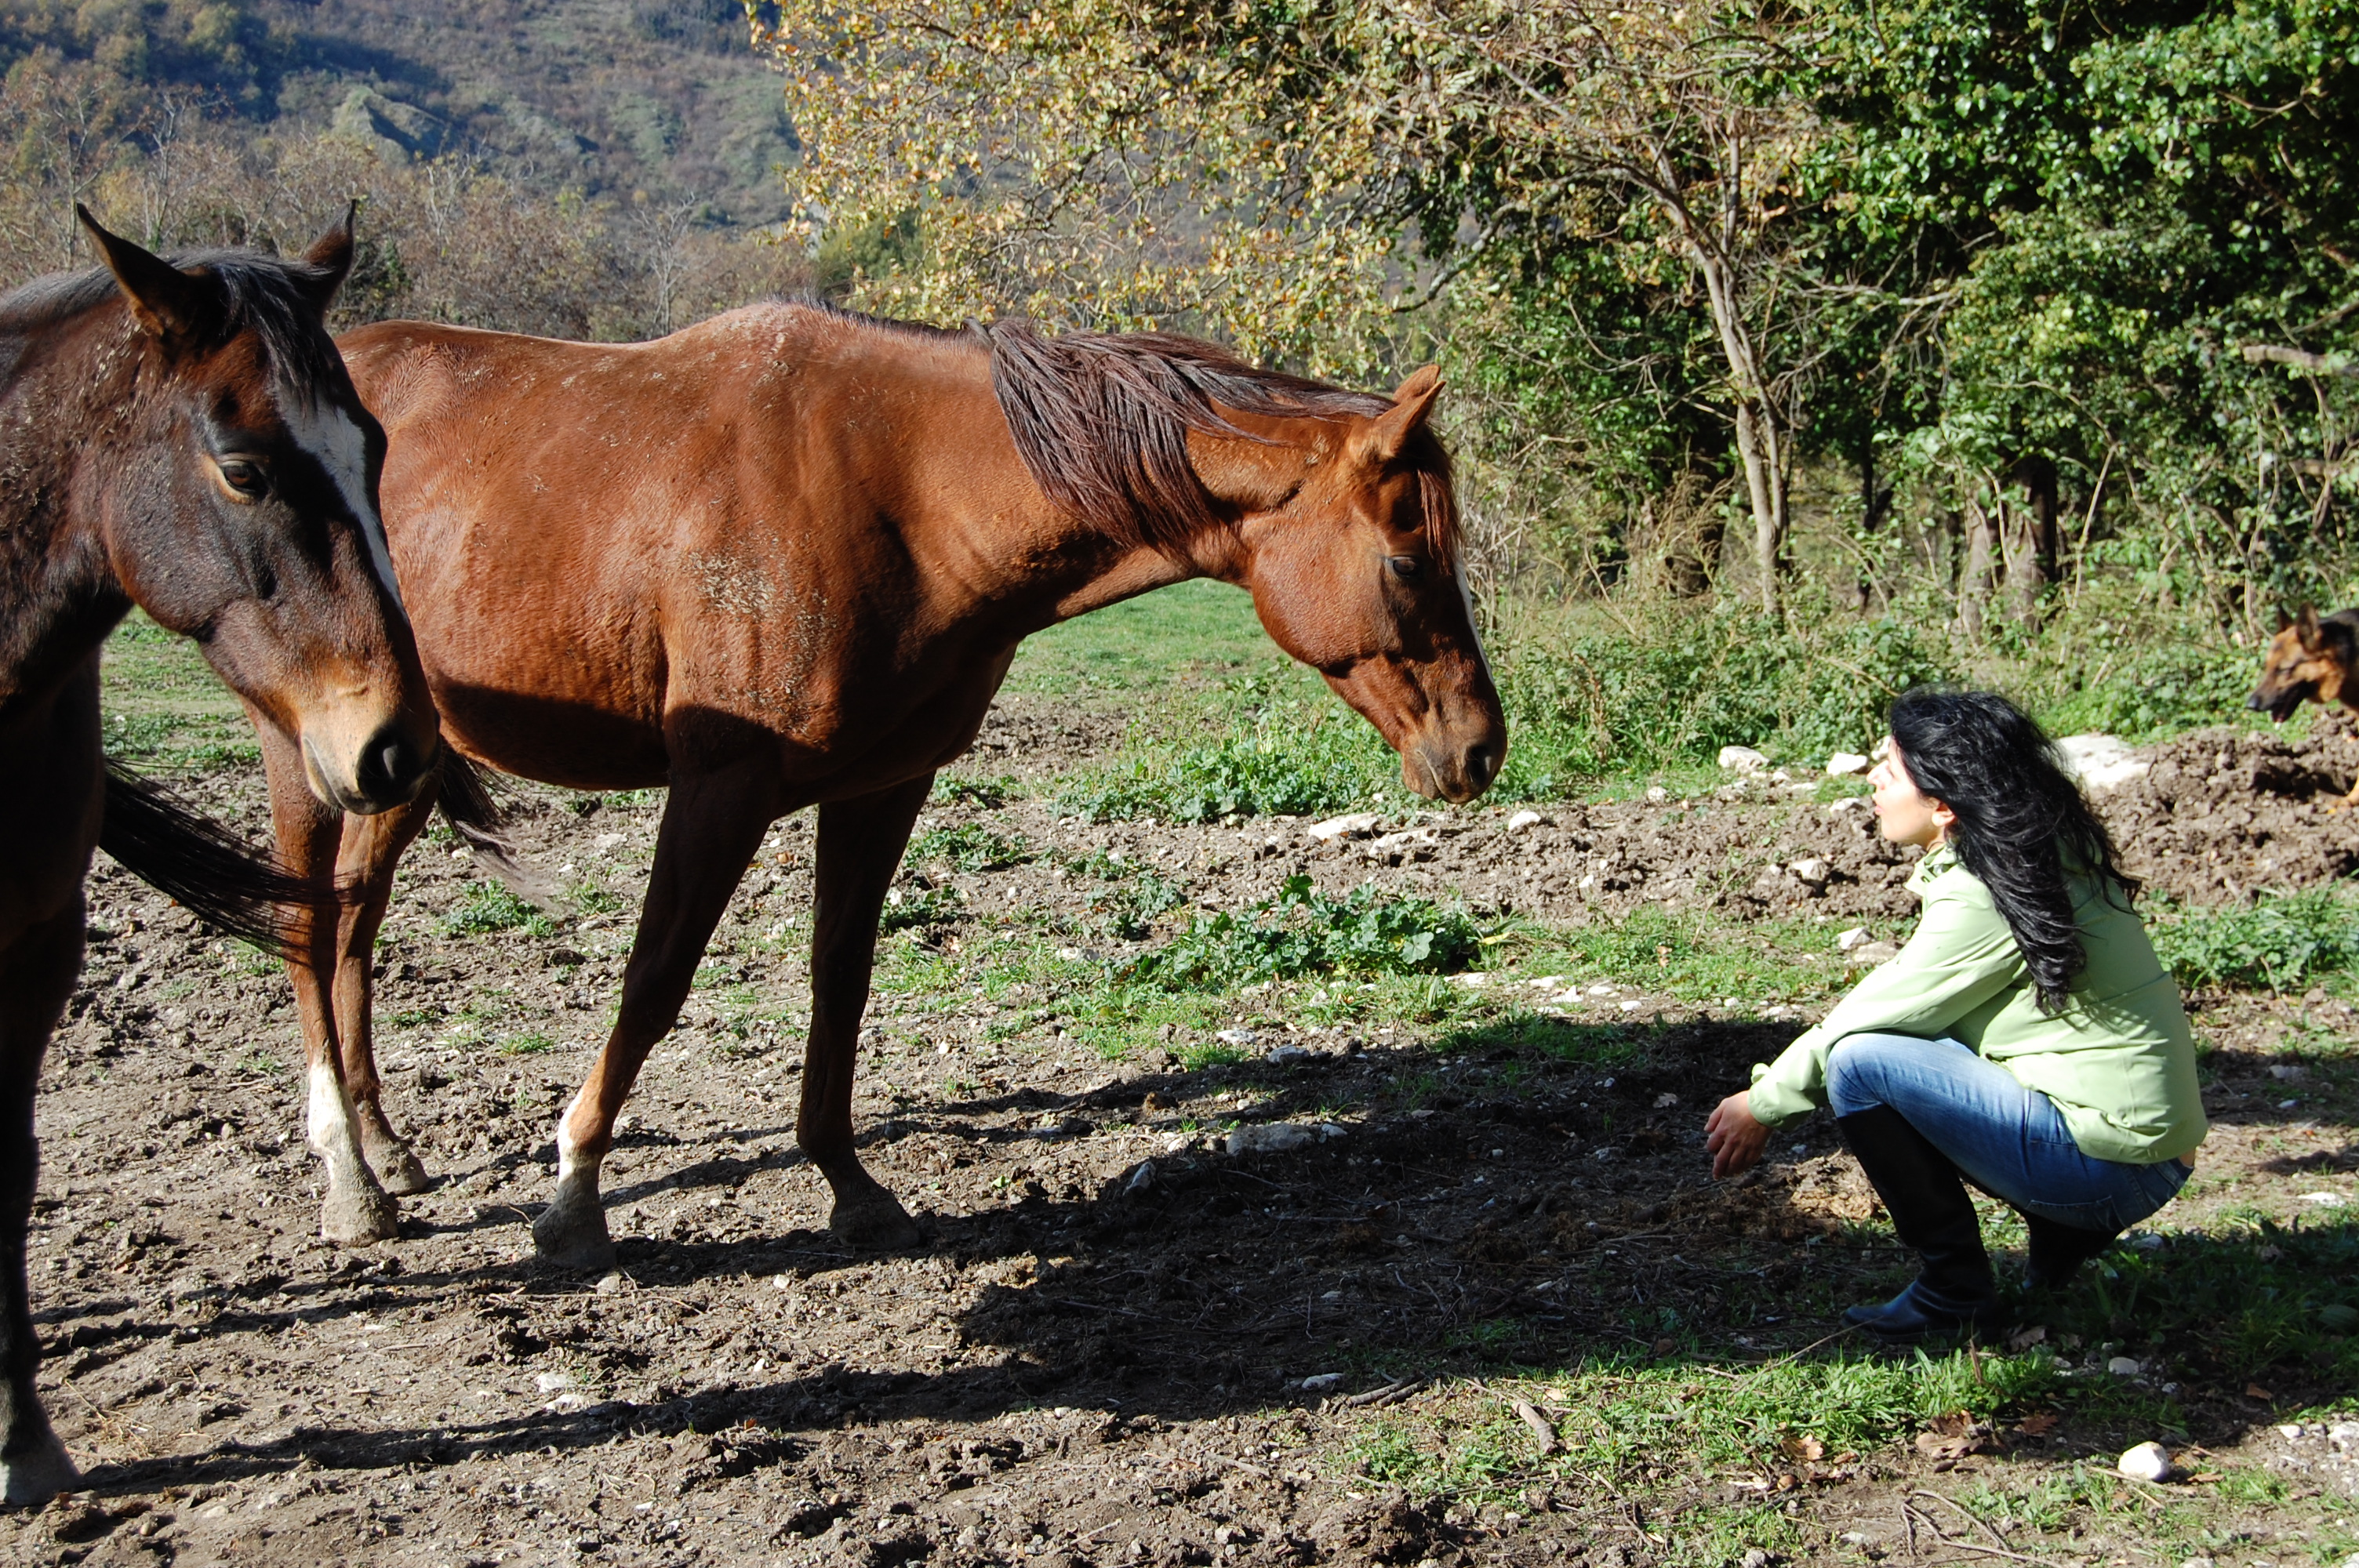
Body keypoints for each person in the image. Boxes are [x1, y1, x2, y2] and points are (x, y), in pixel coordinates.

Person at [1703, 690, 2206, 1343]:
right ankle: (2059, 1231)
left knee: (1861, 1063)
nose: (1875, 779)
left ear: (1943, 804)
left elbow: (1868, 1017)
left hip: (2115, 1167)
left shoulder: (1983, 893)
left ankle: (1953, 1292)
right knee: (1902, 1047)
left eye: (1892, 766)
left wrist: (1761, 1103)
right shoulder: (2037, 853)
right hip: (2143, 1151)